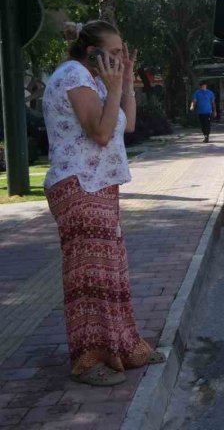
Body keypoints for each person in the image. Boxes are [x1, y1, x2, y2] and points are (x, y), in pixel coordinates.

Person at [42, 21, 165, 387]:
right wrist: (112, 88)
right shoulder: (73, 76)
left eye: (121, 53)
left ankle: (124, 347)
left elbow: (127, 125)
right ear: (91, 52)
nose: (119, 58)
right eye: (113, 53)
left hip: (99, 186)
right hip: (78, 186)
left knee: (111, 272)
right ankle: (88, 359)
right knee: (88, 275)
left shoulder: (94, 81)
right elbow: (99, 132)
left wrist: (124, 82)